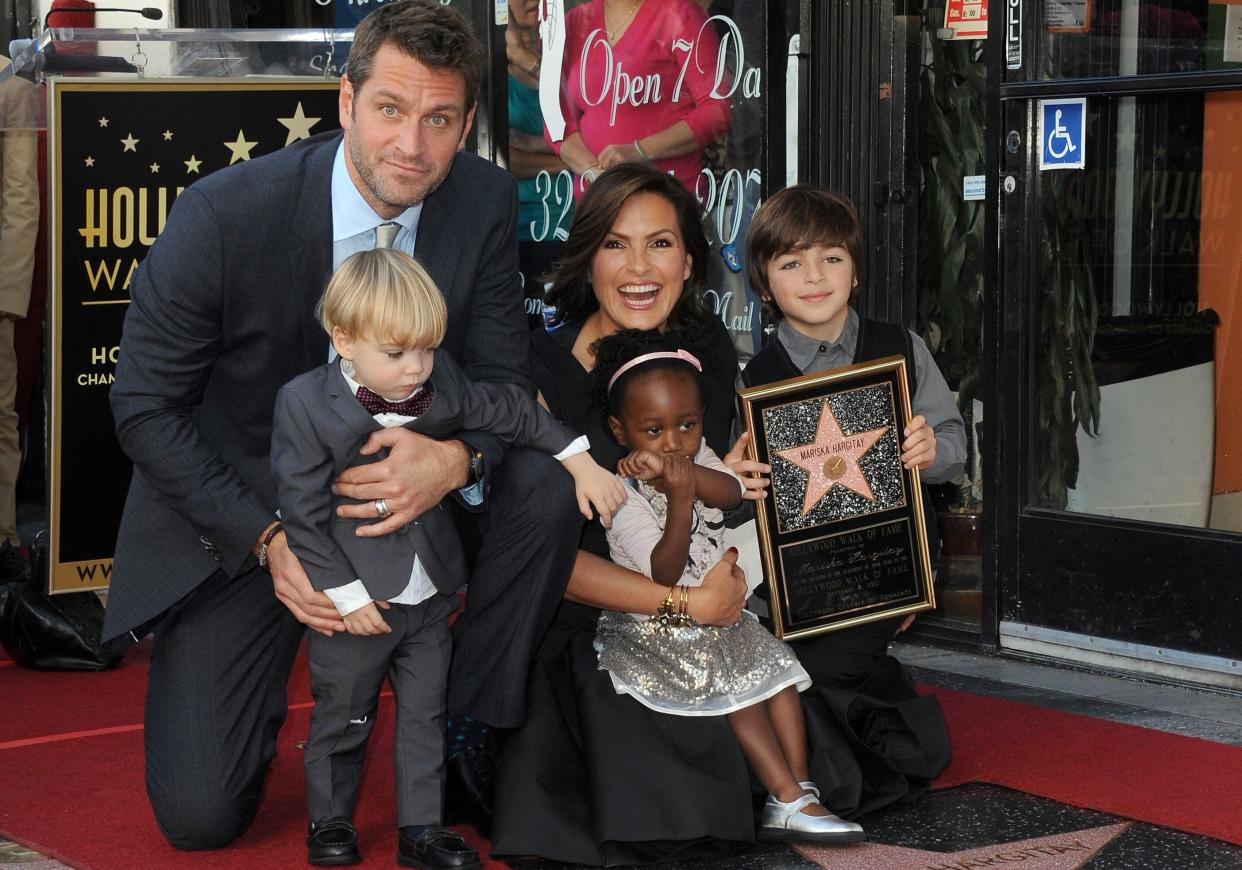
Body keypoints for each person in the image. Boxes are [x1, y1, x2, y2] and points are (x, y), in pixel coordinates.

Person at [103, 0, 582, 851]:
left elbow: (506, 379)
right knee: (200, 817)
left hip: (415, 508)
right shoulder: (225, 214)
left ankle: (467, 719)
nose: (413, 145)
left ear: (468, 122)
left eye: (440, 120)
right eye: (392, 110)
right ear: (346, 100)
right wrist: (267, 541)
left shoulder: (481, 200)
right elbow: (143, 405)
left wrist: (454, 458)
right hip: (254, 513)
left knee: (542, 488)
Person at [271, 249, 623, 866]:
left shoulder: (439, 381)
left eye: (427, 350)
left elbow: (512, 411)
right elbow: (299, 514)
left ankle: (423, 829)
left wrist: (579, 461)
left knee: (425, 718)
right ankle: (329, 821)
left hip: (431, 595)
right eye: (397, 353)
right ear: (344, 339)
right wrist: (343, 597)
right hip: (356, 599)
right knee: (343, 716)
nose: (416, 370)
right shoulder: (304, 403)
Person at [490, 163, 757, 866]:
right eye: (616, 244)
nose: (639, 268)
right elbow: (544, 557)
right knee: (610, 717)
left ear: (691, 259)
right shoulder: (536, 373)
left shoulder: (707, 354)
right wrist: (682, 606)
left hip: (692, 599)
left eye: (660, 244)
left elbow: (716, 512)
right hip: (573, 611)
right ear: (587, 257)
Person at [740, 185, 964, 813]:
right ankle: (870, 714)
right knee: (783, 663)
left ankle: (844, 758)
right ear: (764, 285)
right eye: (791, 263)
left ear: (856, 271)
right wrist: (737, 479)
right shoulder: (752, 379)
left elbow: (954, 443)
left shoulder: (901, 346)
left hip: (888, 565)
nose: (814, 277)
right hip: (801, 579)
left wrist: (928, 451)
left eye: (831, 258)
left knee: (811, 674)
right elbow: (741, 499)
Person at [592, 328, 865, 844]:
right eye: (653, 430)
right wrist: (675, 498)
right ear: (620, 430)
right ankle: (783, 794)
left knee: (779, 673)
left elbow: (732, 491)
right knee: (739, 686)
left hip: (719, 615)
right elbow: (662, 572)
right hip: (660, 623)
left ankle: (800, 790)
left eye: (686, 425)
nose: (673, 442)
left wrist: (686, 478)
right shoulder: (621, 495)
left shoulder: (699, 459)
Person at [548, 0, 732, 194]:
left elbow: (716, 109)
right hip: (597, 201)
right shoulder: (575, 21)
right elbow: (557, 119)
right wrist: (595, 173)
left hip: (664, 197)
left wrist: (640, 150)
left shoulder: (680, 14)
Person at [0, 56, 39, 582]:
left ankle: (3, 539)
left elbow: (19, 195)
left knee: (0, 421)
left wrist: (8, 296)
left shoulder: (9, 80)